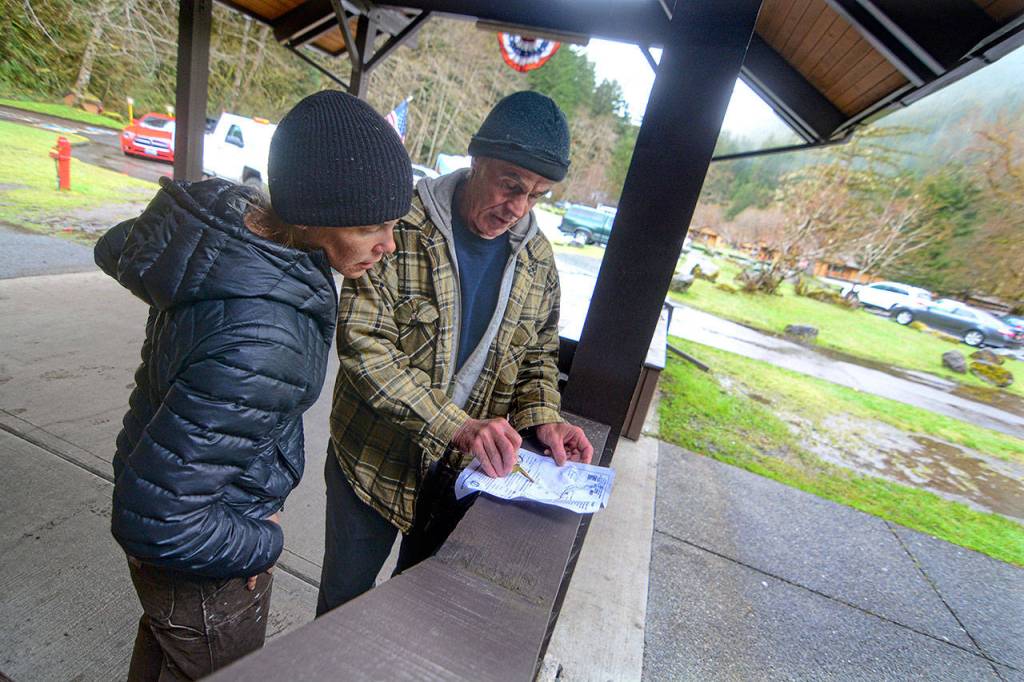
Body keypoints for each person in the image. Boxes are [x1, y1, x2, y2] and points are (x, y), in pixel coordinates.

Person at [94, 90, 412, 681]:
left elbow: (119, 243)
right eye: (372, 225)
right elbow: (155, 517)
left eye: (394, 224)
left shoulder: (227, 233)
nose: (388, 244)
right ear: (311, 213)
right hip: (203, 558)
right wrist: (259, 543)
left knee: (169, 646)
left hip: (173, 507)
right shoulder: (268, 334)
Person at [318, 91, 594, 615]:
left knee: (416, 612)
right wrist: (457, 425)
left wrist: (545, 419)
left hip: (460, 477)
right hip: (373, 463)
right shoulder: (399, 224)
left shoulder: (537, 259)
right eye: (510, 185)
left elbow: (537, 356)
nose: (518, 209)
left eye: (537, 195)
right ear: (476, 160)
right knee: (341, 606)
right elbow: (364, 349)